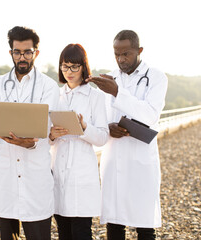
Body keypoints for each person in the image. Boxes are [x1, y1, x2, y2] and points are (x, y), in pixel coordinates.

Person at [86, 30, 168, 239]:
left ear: (139, 51)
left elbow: (150, 115)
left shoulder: (157, 78)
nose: (121, 59)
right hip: (114, 157)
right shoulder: (110, 77)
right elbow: (102, 116)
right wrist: (109, 126)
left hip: (141, 160)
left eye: (126, 54)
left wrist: (117, 92)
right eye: (117, 54)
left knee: (144, 224)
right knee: (114, 222)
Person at [0, 26, 60, 240]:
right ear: (11, 53)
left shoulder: (48, 86)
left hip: (35, 176)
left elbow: (45, 128)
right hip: (6, 176)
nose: (22, 57)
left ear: (36, 52)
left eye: (27, 52)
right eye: (17, 52)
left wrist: (31, 142)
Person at [49, 43, 109, 239]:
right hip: (57, 171)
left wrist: (84, 127)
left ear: (84, 66)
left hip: (82, 175)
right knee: (63, 232)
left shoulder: (96, 96)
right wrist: (51, 135)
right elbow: (43, 136)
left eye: (74, 66)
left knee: (82, 233)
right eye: (65, 66)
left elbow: (102, 137)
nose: (69, 71)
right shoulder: (54, 95)